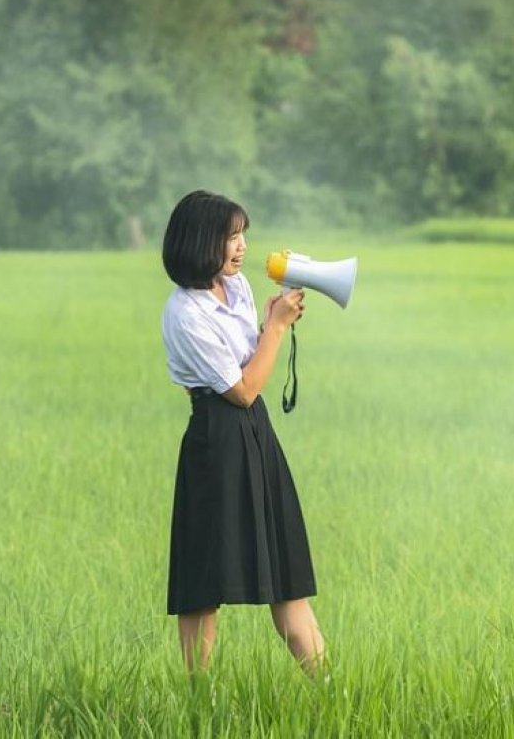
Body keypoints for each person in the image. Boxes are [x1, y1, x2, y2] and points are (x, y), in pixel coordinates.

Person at [161, 190, 325, 675]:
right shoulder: (186, 314)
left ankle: (332, 692)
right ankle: (199, 699)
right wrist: (274, 329)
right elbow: (244, 389)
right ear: (199, 242)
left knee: (287, 572)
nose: (241, 247)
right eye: (230, 237)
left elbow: (252, 365)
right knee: (202, 582)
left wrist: (272, 324)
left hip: (256, 435)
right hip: (216, 439)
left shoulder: (236, 289)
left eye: (242, 236)